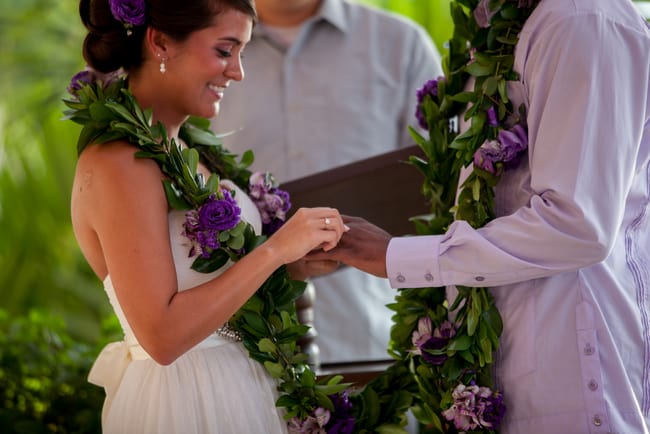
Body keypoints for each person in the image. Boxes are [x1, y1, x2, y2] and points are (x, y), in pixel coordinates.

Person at [314, 0, 650, 432]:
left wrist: (398, 257)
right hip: (505, 341)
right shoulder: (502, 22)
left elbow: (577, 224)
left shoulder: (580, 17)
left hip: (572, 345)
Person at [69, 0, 348, 432]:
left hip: (245, 388)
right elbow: (161, 337)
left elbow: (216, 288)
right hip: (183, 400)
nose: (237, 72)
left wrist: (292, 265)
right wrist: (274, 251)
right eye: (224, 50)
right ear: (160, 42)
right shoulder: (119, 163)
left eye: (241, 53)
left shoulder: (187, 152)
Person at [212, 0, 443, 365]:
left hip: (372, 343)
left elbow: (443, 194)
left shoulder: (400, 44)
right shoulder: (200, 50)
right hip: (233, 354)